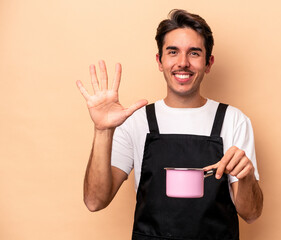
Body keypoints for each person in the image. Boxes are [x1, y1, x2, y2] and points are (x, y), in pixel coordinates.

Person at [76, 9, 263, 240]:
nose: (182, 63)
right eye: (173, 52)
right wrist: (102, 130)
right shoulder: (136, 121)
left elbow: (252, 214)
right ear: (159, 60)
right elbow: (95, 201)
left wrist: (246, 176)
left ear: (208, 63)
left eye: (194, 53)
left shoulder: (234, 120)